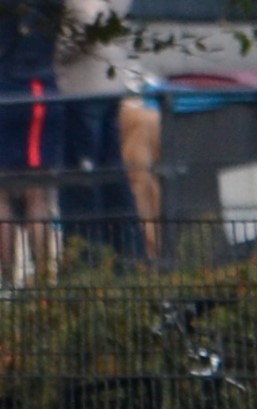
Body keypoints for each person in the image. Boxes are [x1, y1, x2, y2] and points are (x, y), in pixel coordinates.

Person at [55, 0, 161, 260]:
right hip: (109, 83)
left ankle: (88, 258)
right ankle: (128, 254)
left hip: (80, 87)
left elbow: (85, 20)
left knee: (81, 179)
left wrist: (55, 55)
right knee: (112, 174)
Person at [0, 0, 62, 285]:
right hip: (32, 85)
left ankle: (8, 282)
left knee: (3, 194)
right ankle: (43, 280)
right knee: (37, 193)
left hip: (12, 85)